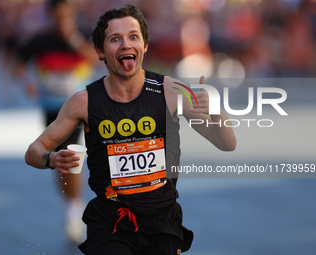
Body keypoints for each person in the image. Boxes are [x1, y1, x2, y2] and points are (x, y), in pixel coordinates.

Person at [25, 4, 236, 254]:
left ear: (145, 46)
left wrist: (214, 109)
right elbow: (33, 151)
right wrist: (51, 158)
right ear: (100, 51)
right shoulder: (83, 102)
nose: (126, 44)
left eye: (133, 37)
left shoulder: (171, 92)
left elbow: (227, 143)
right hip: (111, 221)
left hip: (162, 220)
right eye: (115, 39)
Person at [15, 0, 97, 243]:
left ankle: (75, 211)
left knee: (72, 154)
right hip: (52, 108)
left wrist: (72, 38)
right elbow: (19, 61)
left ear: (73, 15)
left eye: (67, 16)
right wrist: (27, 82)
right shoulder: (41, 40)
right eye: (58, 17)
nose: (63, 21)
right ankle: (72, 206)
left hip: (78, 107)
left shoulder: (82, 35)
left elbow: (94, 59)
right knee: (61, 157)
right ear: (51, 16)